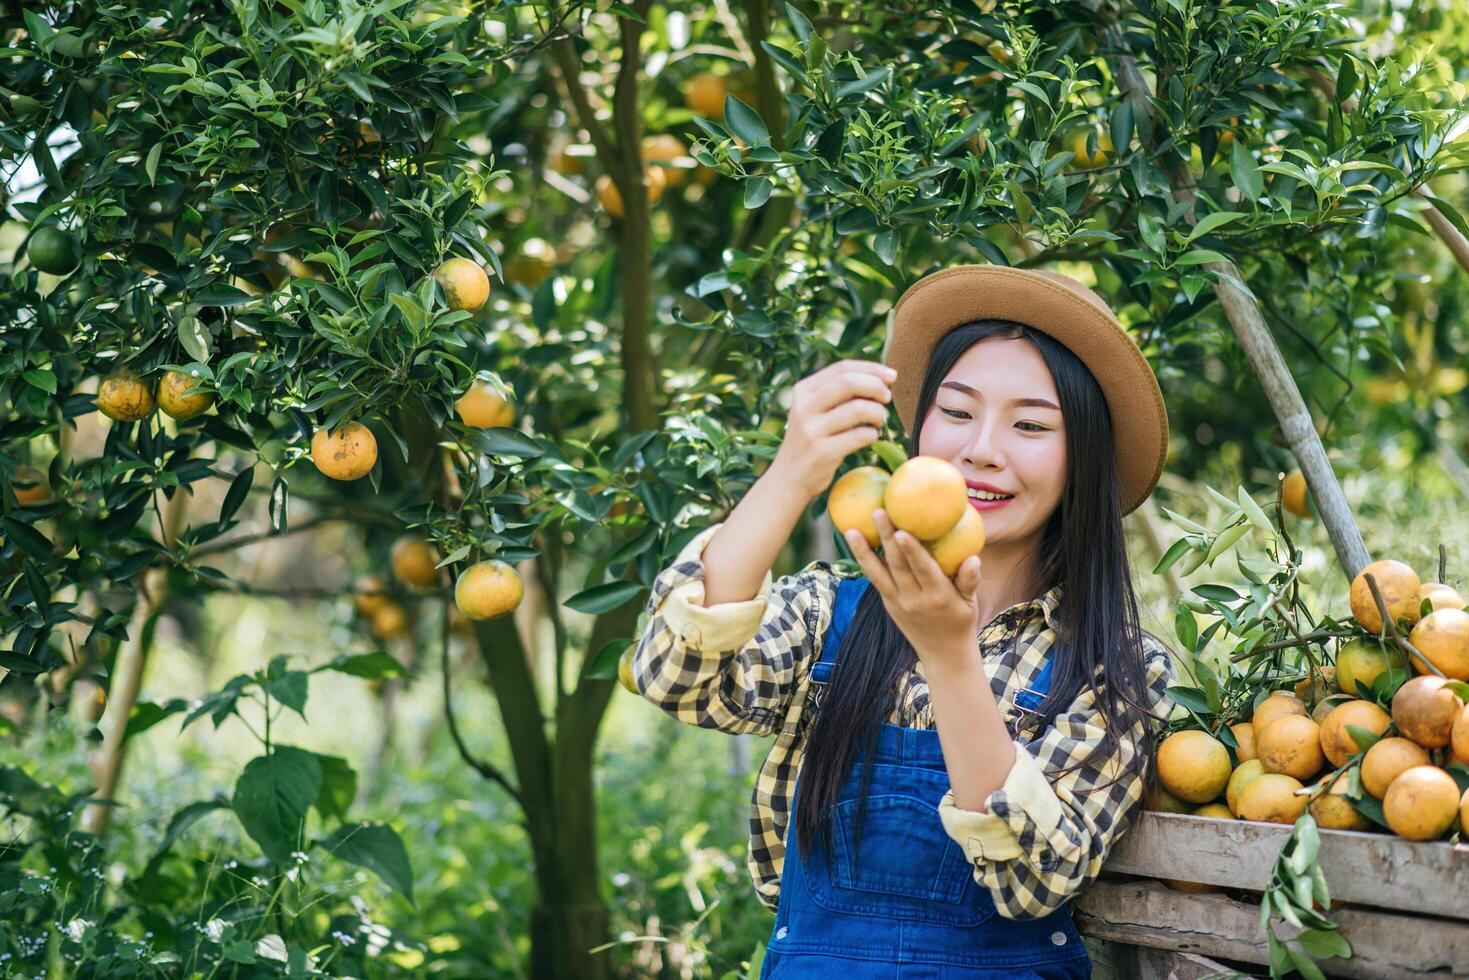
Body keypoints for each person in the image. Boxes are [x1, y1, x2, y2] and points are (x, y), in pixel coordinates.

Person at [631, 265, 1176, 977]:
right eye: (955, 412)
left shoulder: (1115, 669)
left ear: (1084, 460)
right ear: (917, 429)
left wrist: (949, 657)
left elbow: (1034, 880)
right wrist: (793, 470)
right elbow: (676, 675)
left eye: (1030, 424)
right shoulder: (834, 616)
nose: (981, 447)